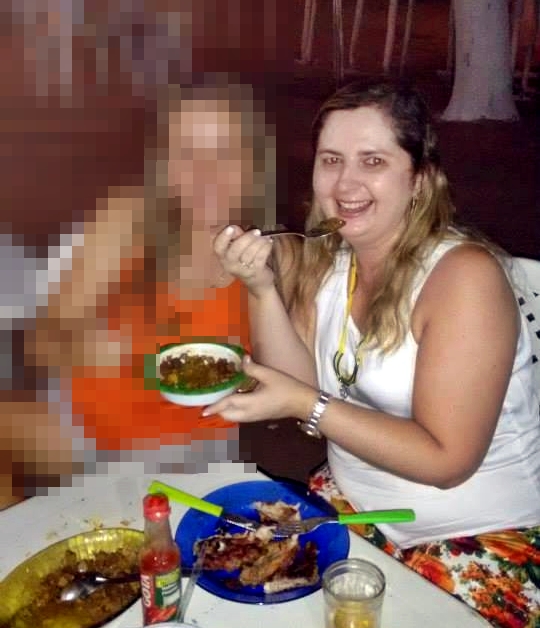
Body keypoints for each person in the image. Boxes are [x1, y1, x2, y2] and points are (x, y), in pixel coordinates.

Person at [209, 81, 540, 627]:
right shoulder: (330, 259)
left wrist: (306, 404)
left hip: (481, 534)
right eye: (331, 159)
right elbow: (296, 385)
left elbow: (446, 462)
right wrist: (261, 288)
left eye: (373, 161)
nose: (346, 183)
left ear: (419, 178)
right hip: (356, 509)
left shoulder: (464, 277)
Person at [0, 74, 275, 507]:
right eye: (187, 152)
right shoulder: (127, 219)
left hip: (192, 456)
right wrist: (83, 348)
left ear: (254, 162)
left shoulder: (272, 251)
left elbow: (286, 386)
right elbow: (40, 342)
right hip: (78, 435)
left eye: (225, 152)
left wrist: (247, 381)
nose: (207, 173)